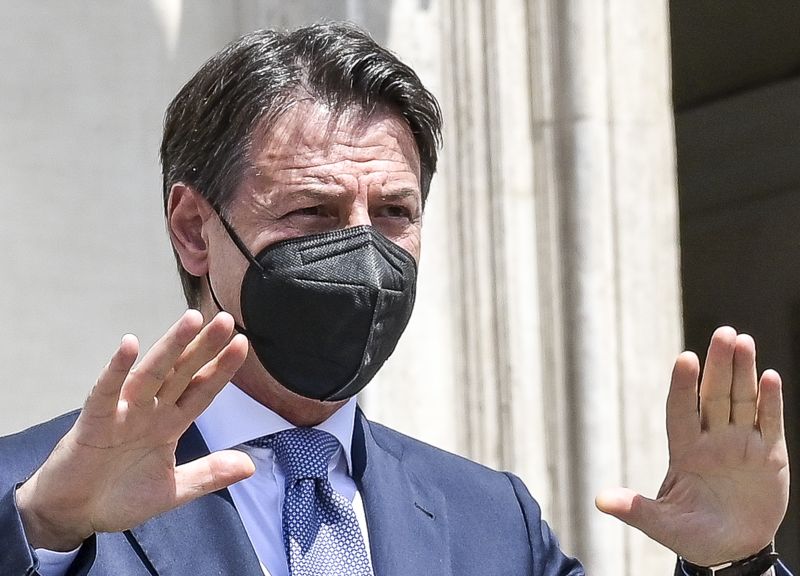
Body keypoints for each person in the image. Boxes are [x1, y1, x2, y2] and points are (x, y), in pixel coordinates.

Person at [0, 21, 791, 576]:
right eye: (312, 211)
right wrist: (44, 529)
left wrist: (735, 564)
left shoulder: (491, 523)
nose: (363, 254)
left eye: (393, 213)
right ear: (193, 230)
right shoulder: (37, 494)